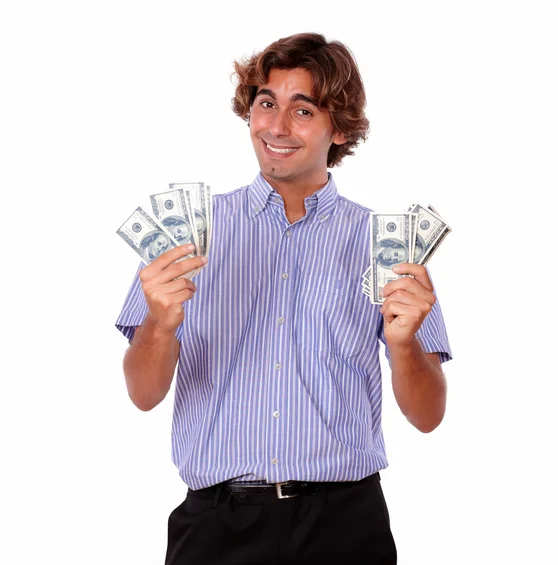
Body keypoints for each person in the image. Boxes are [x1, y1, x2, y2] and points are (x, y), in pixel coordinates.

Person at [116, 32, 452, 565]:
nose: (276, 126)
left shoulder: (384, 246)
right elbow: (142, 394)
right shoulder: (186, 238)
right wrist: (159, 325)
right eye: (267, 103)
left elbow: (429, 414)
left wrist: (405, 345)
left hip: (345, 525)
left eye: (303, 110)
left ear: (337, 127)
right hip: (215, 527)